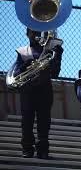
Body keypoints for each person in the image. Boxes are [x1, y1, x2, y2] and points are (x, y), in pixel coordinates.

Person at [10, 28, 63, 159]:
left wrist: (58, 55)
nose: (35, 35)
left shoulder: (49, 52)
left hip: (44, 90)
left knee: (44, 121)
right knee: (26, 120)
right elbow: (16, 73)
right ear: (27, 34)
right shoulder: (22, 52)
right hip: (27, 91)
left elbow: (55, 73)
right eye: (32, 32)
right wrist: (25, 67)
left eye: (38, 32)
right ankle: (27, 148)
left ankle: (43, 150)